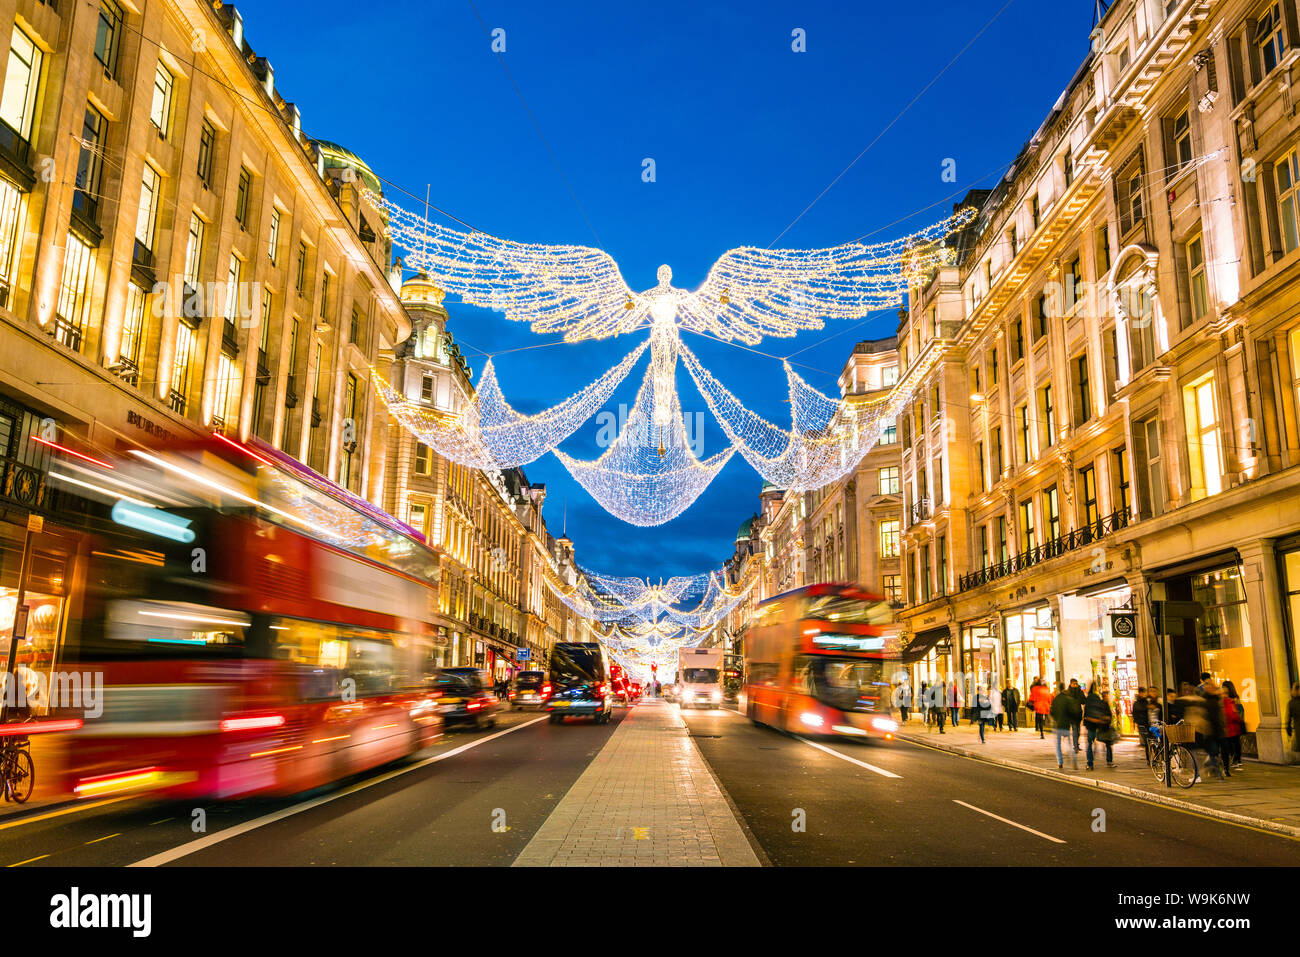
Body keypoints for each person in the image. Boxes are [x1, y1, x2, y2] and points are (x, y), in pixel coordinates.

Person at [1199, 680, 1231, 779]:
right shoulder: (1203, 700)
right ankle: (1218, 773)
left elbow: (1221, 713)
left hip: (1220, 729)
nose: (1211, 688)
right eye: (1209, 686)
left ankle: (1225, 769)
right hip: (1209, 730)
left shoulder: (1217, 698)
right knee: (1214, 752)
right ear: (1205, 688)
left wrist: (1224, 725)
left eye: (1213, 686)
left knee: (1225, 750)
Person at [1083, 681, 1115, 770]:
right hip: (1100, 726)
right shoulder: (1099, 700)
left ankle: (1090, 763)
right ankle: (1109, 761)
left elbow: (1086, 715)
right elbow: (1104, 712)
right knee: (1107, 743)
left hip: (1091, 726)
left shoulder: (1088, 701)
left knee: (1089, 744)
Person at [1050, 682, 1081, 770]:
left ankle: (1060, 763)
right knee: (1069, 744)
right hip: (1066, 725)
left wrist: (1055, 719)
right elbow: (1072, 712)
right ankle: (1074, 760)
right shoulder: (1068, 699)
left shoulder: (1056, 699)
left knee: (1058, 745)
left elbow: (1052, 711)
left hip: (1057, 725)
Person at [1221, 679, 1244, 771]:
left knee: (1233, 743)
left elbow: (1235, 713)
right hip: (1233, 725)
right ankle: (1237, 760)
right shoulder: (1234, 698)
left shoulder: (1232, 700)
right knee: (1235, 743)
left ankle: (1236, 760)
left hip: (1231, 725)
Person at [1131, 686, 1151, 765]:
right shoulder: (1137, 703)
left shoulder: (1148, 701)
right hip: (1143, 725)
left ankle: (1153, 757)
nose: (1144, 694)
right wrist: (1139, 722)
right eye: (1142, 692)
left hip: (1150, 724)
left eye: (1144, 692)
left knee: (1154, 741)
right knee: (1147, 742)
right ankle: (1149, 759)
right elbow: (1135, 714)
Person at [1067, 678, 1087, 752]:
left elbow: (1083, 702)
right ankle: (1075, 747)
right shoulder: (1068, 692)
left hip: (1078, 713)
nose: (1075, 685)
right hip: (1071, 714)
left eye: (1076, 684)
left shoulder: (1080, 692)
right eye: (1074, 684)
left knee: (1078, 731)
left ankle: (1076, 744)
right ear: (1071, 684)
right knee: (1075, 730)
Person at [1286, 683, 1300, 759]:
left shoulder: (1291, 703)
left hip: (1298, 729)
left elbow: (1288, 718)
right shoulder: (1292, 703)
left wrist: (1289, 730)